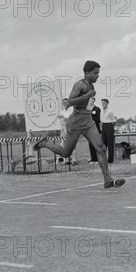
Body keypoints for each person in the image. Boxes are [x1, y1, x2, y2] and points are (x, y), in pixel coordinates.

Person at [33, 61, 125, 189]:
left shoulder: (91, 86)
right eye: (95, 73)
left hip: (88, 121)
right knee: (66, 153)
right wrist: (86, 96)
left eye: (98, 73)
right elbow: (69, 103)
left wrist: (88, 96)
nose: (98, 75)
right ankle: (45, 143)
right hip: (76, 121)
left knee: (101, 148)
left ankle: (107, 180)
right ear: (87, 73)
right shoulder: (80, 84)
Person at [100, 99, 116, 163]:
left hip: (109, 125)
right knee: (103, 143)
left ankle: (110, 159)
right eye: (102, 103)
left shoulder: (110, 111)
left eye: (104, 103)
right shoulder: (101, 111)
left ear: (107, 103)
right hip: (103, 126)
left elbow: (113, 120)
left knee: (110, 143)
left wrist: (110, 127)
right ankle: (103, 158)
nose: (103, 104)